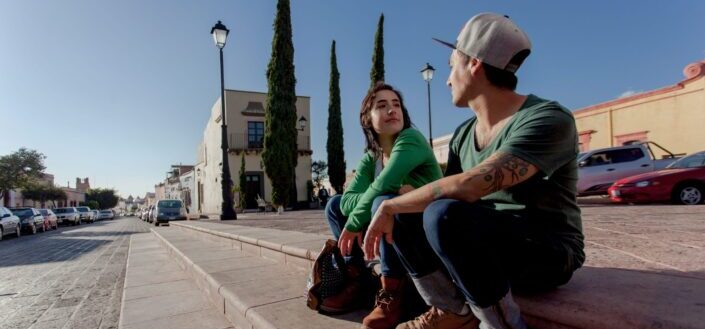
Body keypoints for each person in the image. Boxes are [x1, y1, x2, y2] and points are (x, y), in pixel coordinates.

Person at [363, 13, 585, 329]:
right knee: (403, 209)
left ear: (475, 65)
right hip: (478, 247)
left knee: (443, 214)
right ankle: (452, 311)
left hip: (547, 253)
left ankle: (502, 324)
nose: (448, 78)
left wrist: (393, 204)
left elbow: (468, 187)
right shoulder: (464, 134)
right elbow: (447, 194)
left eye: (453, 65)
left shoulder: (548, 118)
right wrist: (395, 202)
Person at [323, 82, 443, 329]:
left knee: (382, 202)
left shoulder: (411, 138)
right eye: (382, 105)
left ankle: (392, 292)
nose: (392, 110)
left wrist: (380, 195)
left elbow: (382, 187)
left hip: (428, 233)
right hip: (393, 223)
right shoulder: (371, 158)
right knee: (334, 205)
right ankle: (357, 279)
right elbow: (346, 201)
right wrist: (392, 188)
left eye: (396, 104)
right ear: (367, 119)